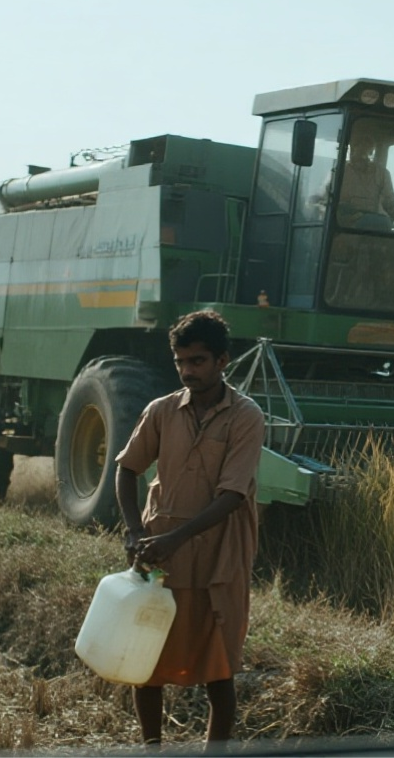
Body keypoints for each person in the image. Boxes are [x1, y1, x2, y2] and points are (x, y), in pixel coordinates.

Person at [114, 310, 263, 746]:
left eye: (197, 361)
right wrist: (132, 531)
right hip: (160, 554)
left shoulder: (246, 417)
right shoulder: (161, 411)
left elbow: (232, 495)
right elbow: (127, 470)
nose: (187, 371)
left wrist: (175, 539)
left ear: (222, 361)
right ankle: (152, 749)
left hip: (220, 553)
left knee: (219, 666)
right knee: (147, 658)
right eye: (180, 362)